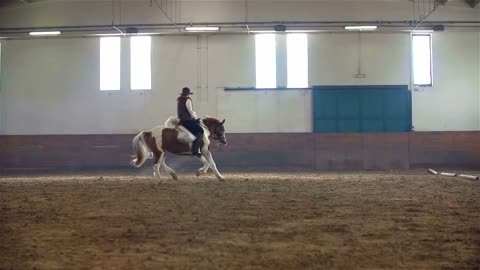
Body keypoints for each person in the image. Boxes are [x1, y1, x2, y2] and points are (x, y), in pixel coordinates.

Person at [177, 87, 204, 157]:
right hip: (187, 120)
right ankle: (195, 149)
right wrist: (196, 118)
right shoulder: (188, 100)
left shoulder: (179, 100)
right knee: (200, 130)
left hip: (181, 121)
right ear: (188, 94)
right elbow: (190, 112)